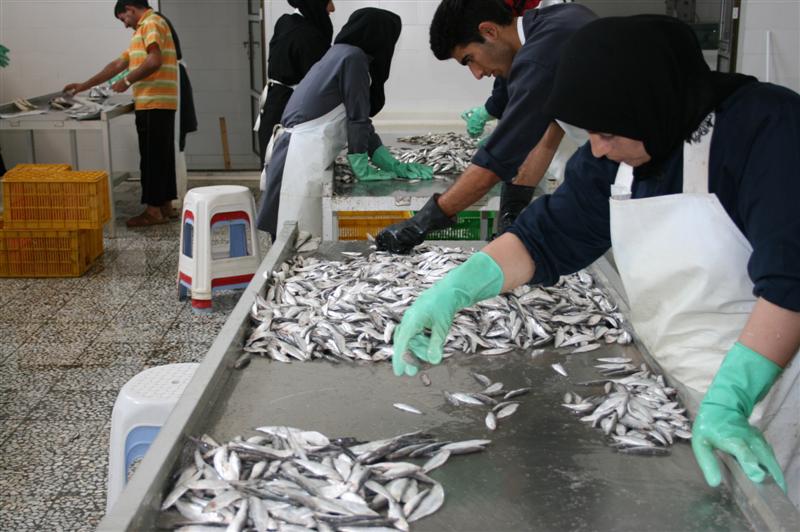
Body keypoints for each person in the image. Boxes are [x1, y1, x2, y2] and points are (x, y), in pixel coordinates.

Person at [390, 15, 800, 506]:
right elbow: (546, 237)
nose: (598, 149)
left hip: (772, 393)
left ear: (646, 103)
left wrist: (733, 397)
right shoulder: (618, 156)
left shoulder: (766, 129)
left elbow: (791, 277)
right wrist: (455, 288)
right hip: (676, 392)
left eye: (607, 132)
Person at [376, 0, 596, 254]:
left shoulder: (540, 60)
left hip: (640, 170)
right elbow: (549, 129)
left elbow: (494, 163)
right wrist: (513, 210)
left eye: (470, 59)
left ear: (489, 31)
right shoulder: (559, 19)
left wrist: (419, 224)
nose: (477, 73)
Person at [255, 8, 433, 241]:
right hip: (301, 155)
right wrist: (361, 166)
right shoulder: (354, 59)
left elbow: (359, 119)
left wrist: (386, 161)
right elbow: (357, 118)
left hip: (295, 148)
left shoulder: (340, 52)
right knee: (298, 233)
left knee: (291, 229)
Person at [64, 0, 178, 227]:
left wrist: (127, 80)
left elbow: (154, 60)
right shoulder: (143, 30)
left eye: (123, 18)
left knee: (152, 159)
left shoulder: (151, 23)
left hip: (153, 101)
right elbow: (117, 64)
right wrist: (83, 85)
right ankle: (165, 206)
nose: (125, 25)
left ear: (130, 9)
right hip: (159, 102)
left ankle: (153, 212)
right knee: (161, 156)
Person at [255, 1, 336, 165]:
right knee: (284, 175)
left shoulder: (286, 21)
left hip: (274, 104)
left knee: (272, 172)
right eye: (327, 1)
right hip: (288, 111)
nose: (332, 8)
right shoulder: (308, 34)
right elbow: (319, 82)